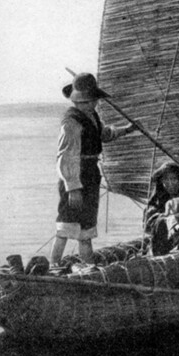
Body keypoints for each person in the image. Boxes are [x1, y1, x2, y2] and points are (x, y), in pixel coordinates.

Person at [51, 72, 139, 265]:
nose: (92, 104)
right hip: (75, 175)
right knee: (66, 226)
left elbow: (104, 134)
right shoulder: (71, 122)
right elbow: (65, 156)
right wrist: (73, 187)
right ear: (77, 101)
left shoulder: (92, 116)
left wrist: (126, 129)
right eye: (87, 101)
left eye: (93, 100)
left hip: (91, 175)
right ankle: (54, 265)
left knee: (87, 228)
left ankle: (88, 266)